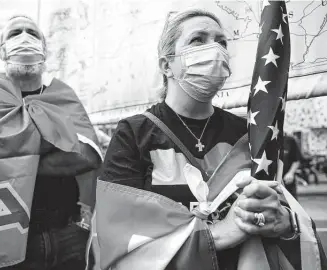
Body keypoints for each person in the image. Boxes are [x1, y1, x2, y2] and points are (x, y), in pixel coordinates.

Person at [92, 10, 326, 269]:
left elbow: (279, 213)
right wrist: (217, 235)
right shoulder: (134, 133)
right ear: (166, 65)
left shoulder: (249, 132)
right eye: (198, 40)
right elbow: (118, 236)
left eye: (221, 42)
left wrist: (283, 224)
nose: (214, 49)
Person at [0, 15, 102, 270]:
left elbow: (86, 156)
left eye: (32, 33)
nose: (24, 37)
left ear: (44, 48)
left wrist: (12, 158)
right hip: (2, 238)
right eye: (15, 33)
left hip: (66, 234)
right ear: (1, 50)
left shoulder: (61, 94)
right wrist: (52, 139)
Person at [282, 133, 302, 199]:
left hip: (287, 180)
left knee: (291, 205)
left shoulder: (290, 140)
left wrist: (290, 173)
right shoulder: (266, 139)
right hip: (270, 181)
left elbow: (296, 160)